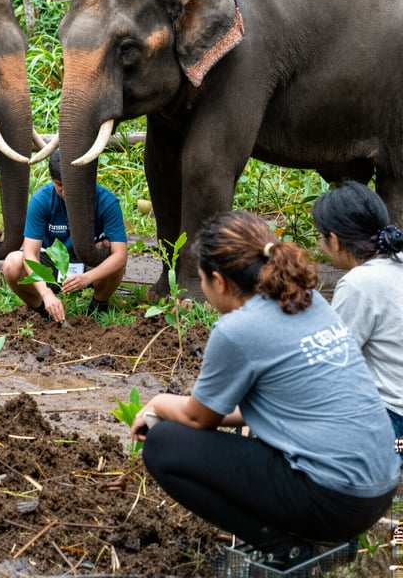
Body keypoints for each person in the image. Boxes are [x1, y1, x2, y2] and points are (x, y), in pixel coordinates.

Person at [129, 210, 399, 571]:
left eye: (202, 281)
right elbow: (273, 408)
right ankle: (325, 539)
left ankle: (285, 549)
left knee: (164, 445)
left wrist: (159, 403)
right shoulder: (307, 300)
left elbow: (197, 419)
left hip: (336, 499)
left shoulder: (238, 330)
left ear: (219, 281)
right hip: (379, 487)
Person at [312, 180, 403, 453]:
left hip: (392, 423)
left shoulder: (359, 284)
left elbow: (333, 364)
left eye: (321, 236)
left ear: (335, 241)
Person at [0, 148, 127, 324]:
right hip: (52, 264)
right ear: (52, 180)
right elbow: (30, 254)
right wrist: (46, 293)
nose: (66, 192)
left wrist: (87, 278)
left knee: (115, 261)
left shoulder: (106, 201)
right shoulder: (41, 200)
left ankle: (99, 305)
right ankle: (41, 310)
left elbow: (121, 256)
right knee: (12, 263)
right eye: (60, 185)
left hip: (88, 264)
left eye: (71, 185)